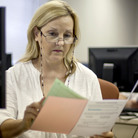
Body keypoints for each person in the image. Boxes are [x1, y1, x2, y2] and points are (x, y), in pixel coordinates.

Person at [0, 0, 114, 138]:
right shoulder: (13, 76)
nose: (60, 42)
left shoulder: (88, 78)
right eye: (52, 34)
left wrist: (105, 135)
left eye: (67, 36)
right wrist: (23, 124)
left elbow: (101, 129)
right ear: (37, 34)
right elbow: (2, 129)